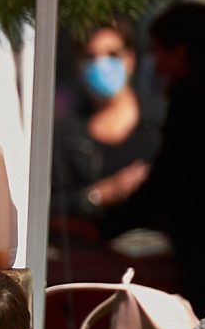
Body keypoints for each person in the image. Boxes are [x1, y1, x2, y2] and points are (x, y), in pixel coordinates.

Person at [109, 1, 205, 311]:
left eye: (158, 52)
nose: (154, 65)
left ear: (181, 53)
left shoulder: (195, 111)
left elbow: (166, 185)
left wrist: (107, 227)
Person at [51, 18, 162, 227]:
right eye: (91, 57)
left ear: (130, 59)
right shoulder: (66, 135)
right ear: (78, 65)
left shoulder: (160, 122)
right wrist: (102, 194)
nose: (102, 65)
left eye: (112, 55)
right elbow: (52, 206)